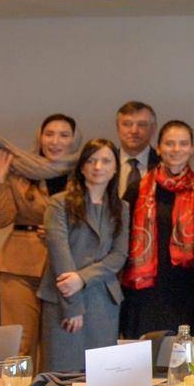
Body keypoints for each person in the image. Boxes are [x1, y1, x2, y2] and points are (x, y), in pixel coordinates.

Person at [0, 114, 77, 365]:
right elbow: (0, 219)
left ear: (74, 140)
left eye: (64, 135)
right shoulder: (20, 171)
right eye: (49, 134)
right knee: (18, 344)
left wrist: (58, 230)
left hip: (63, 268)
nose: (55, 141)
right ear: (40, 137)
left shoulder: (82, 174)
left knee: (57, 345)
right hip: (20, 264)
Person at [38, 139, 129, 371]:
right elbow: (61, 256)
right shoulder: (59, 203)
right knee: (60, 374)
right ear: (82, 167)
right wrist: (73, 307)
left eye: (106, 161)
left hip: (103, 300)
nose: (98, 167)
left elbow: (118, 255)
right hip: (63, 299)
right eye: (91, 160)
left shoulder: (121, 207)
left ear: (116, 168)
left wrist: (83, 278)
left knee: (100, 377)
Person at [119, 121, 194, 339]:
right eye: (170, 143)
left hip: (183, 288)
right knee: (140, 355)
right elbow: (120, 234)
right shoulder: (137, 188)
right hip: (143, 288)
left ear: (192, 149)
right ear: (159, 148)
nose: (176, 149)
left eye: (183, 143)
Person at [114, 101, 159, 201]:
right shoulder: (104, 164)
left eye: (142, 125)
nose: (134, 131)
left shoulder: (164, 165)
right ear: (117, 128)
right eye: (127, 124)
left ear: (153, 128)